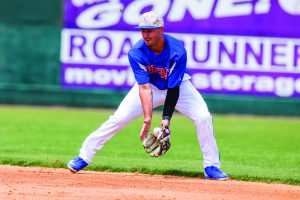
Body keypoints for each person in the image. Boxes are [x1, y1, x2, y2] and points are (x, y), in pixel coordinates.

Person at [67, 11, 229, 180]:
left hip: (179, 87)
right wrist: (147, 118)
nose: (145, 34)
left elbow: (173, 88)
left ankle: (211, 166)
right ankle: (84, 157)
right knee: (118, 119)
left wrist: (166, 120)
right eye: (143, 30)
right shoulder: (136, 52)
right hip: (149, 87)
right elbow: (144, 88)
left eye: (150, 30)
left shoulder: (177, 51)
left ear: (161, 29)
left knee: (203, 117)